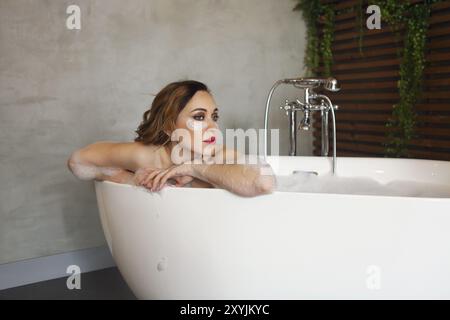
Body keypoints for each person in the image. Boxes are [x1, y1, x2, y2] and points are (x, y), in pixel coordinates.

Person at [67, 80, 275, 197]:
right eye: (199, 117)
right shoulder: (149, 157)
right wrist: (132, 180)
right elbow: (79, 160)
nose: (213, 126)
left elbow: (263, 182)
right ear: (168, 126)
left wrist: (193, 169)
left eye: (214, 116)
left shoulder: (220, 155)